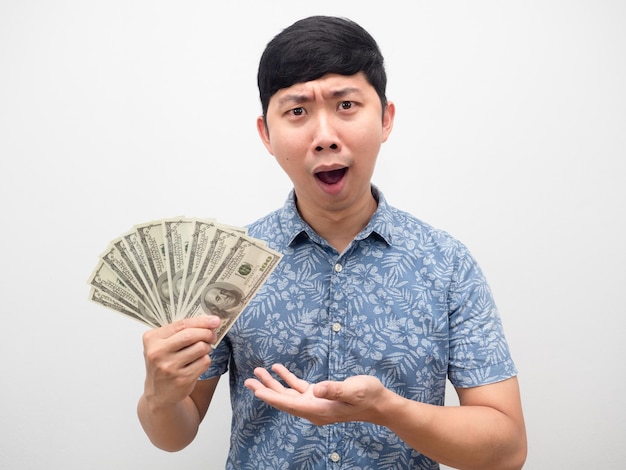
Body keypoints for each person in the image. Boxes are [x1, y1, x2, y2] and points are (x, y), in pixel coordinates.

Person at [137, 15, 527, 469]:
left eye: (346, 105)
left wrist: (389, 409)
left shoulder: (447, 264)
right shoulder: (230, 264)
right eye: (297, 111)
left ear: (385, 118)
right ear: (267, 133)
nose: (325, 137)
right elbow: (174, 435)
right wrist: (159, 396)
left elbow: (507, 449)